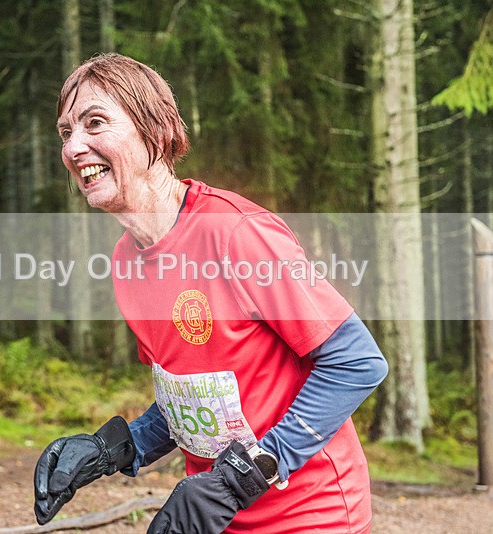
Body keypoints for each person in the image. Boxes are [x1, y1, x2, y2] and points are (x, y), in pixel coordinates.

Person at [34, 53, 388, 534]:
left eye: (95, 123)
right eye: (65, 132)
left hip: (311, 516)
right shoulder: (124, 260)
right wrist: (114, 449)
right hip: (217, 519)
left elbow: (356, 362)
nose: (75, 147)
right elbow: (192, 400)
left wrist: (240, 479)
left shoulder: (234, 232)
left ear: (154, 131)